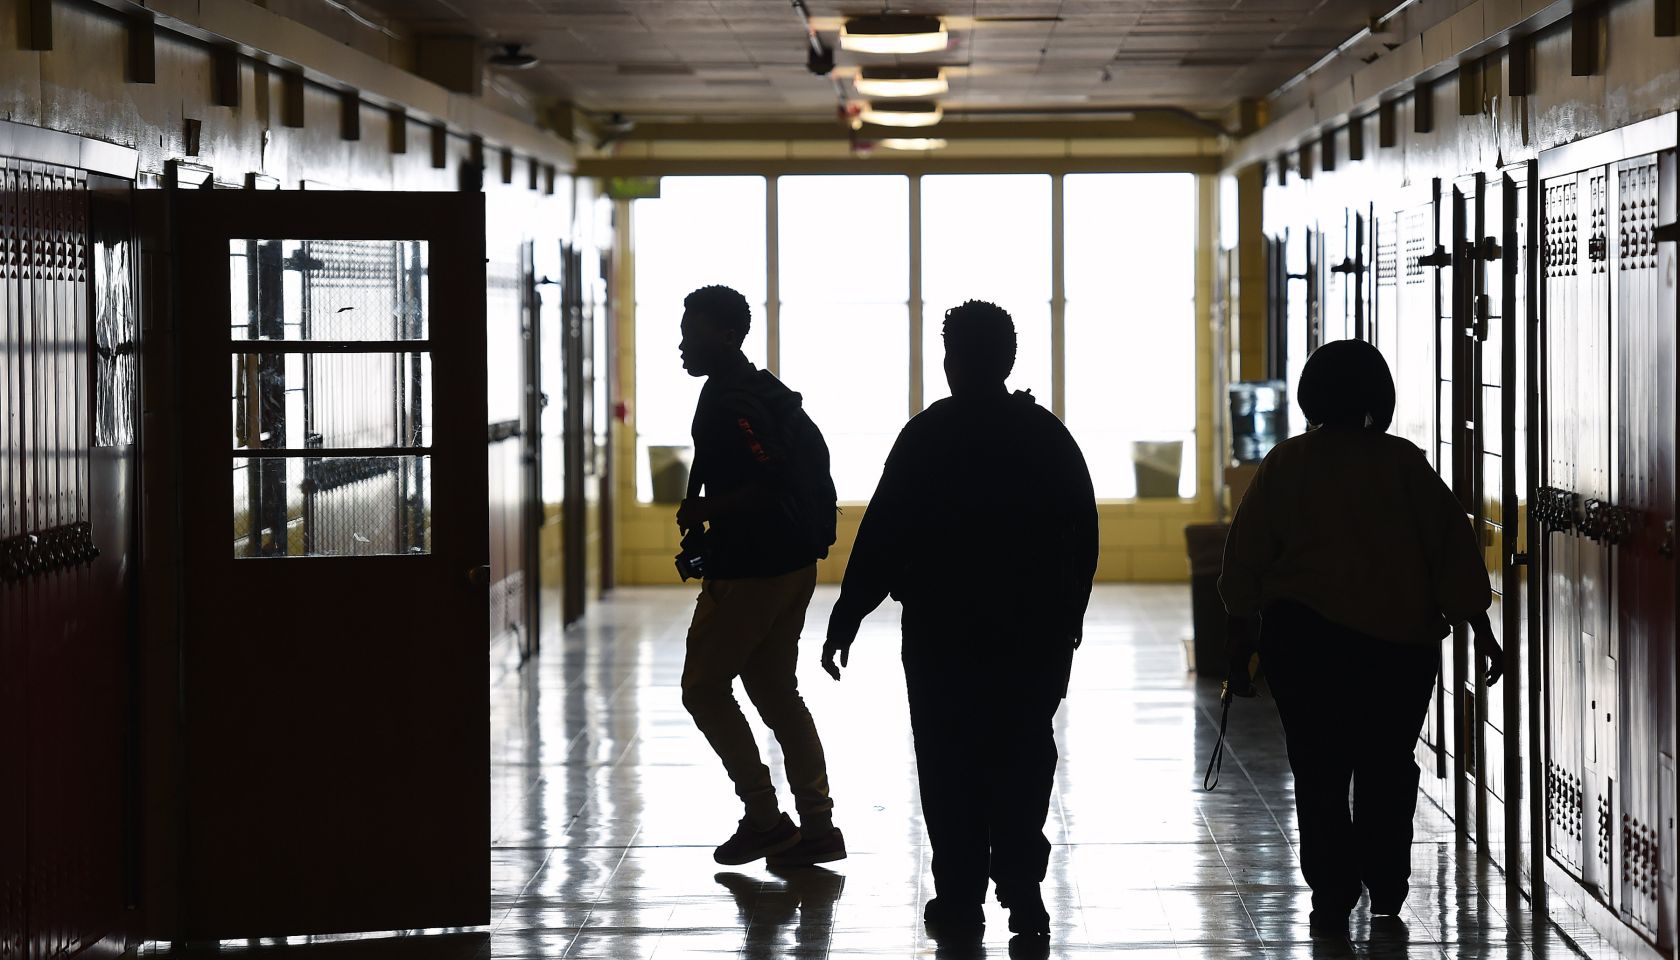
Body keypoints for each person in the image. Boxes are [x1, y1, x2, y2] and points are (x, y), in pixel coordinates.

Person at [823, 300, 1099, 946]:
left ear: (950, 361)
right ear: (1008, 360)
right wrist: (1068, 621)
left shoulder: (928, 435)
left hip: (942, 635)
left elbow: (884, 533)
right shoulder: (1046, 436)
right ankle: (1024, 892)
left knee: (949, 764)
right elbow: (1082, 537)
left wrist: (848, 611)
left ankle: (960, 899)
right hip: (1031, 636)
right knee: (1024, 756)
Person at [1218, 339, 1503, 937]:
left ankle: (1331, 891)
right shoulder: (1404, 465)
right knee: (1386, 765)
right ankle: (1386, 885)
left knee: (1317, 770)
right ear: (1380, 396)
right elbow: (1450, 552)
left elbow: (1244, 556)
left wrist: (1240, 635)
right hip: (1396, 650)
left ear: (1310, 394)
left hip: (1304, 644)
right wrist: (1480, 628)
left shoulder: (1286, 464)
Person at [674, 284, 844, 868]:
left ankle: (766, 820)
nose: (681, 344)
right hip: (792, 563)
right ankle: (818, 826)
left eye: (691, 332)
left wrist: (704, 511)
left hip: (753, 569)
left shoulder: (733, 402)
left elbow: (768, 481)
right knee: (775, 690)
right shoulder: (755, 389)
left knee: (702, 688)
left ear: (725, 336)